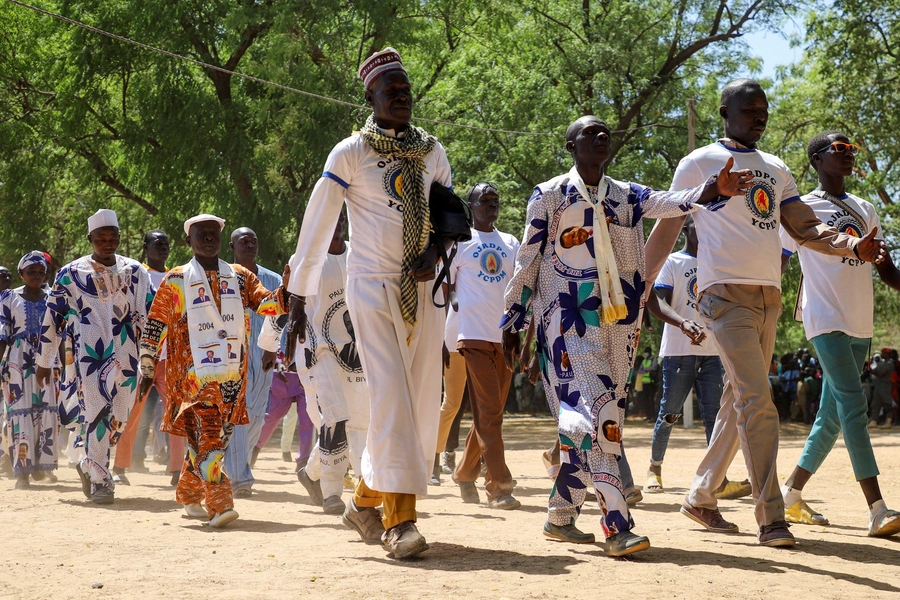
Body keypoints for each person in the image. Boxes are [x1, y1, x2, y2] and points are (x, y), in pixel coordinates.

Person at [500, 114, 754, 557]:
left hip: (620, 327)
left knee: (597, 419)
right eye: (589, 133)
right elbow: (528, 260)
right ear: (570, 146)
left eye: (605, 133)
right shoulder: (548, 196)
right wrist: (513, 319)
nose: (600, 137)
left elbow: (673, 201)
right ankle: (617, 525)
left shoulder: (627, 196)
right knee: (599, 418)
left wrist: (713, 191)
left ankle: (561, 516)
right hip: (566, 322)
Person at [658, 79, 885, 547]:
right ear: (725, 112)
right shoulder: (698, 161)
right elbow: (668, 224)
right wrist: (636, 284)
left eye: (764, 109)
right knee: (759, 403)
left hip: (768, 300)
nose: (759, 116)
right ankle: (772, 517)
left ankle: (700, 495)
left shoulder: (777, 168)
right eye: (749, 109)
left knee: (737, 398)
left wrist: (852, 246)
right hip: (723, 295)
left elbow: (804, 227)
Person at [284, 47, 451, 559]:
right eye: (391, 91)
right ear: (370, 97)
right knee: (393, 399)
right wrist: (296, 302)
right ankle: (400, 523)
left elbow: (448, 217)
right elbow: (315, 231)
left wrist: (433, 251)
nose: (401, 98)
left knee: (423, 401)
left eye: (406, 91)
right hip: (371, 286)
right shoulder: (350, 153)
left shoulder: (431, 151)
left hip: (424, 288)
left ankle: (363, 501)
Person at [778, 130, 900, 537]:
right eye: (839, 149)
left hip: (859, 320)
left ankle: (791, 493)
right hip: (824, 316)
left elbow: (884, 267)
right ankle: (878, 508)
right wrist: (764, 306)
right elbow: (779, 258)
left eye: (852, 150)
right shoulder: (801, 209)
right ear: (816, 159)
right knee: (853, 406)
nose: (848, 155)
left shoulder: (865, 208)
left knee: (831, 418)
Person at [139, 214, 288, 528]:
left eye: (213, 234)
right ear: (188, 240)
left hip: (232, 379)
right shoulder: (176, 280)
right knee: (209, 438)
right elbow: (155, 325)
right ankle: (220, 505)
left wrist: (288, 290)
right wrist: (148, 365)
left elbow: (268, 306)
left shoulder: (240, 277)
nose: (208, 238)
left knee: (213, 441)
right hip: (191, 380)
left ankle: (189, 493)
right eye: (201, 234)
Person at [36, 209, 153, 505]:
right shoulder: (72, 274)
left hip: (128, 356)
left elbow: (152, 314)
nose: (107, 243)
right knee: (97, 412)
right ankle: (102, 480)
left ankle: (83, 457)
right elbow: (52, 319)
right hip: (89, 358)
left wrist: (151, 356)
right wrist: (44, 360)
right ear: (90, 239)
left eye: (113, 237)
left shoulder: (136, 272)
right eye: (101, 238)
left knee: (120, 415)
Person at [264, 212, 369, 515]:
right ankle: (332, 492)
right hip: (317, 354)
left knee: (360, 420)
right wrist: (270, 345)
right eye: (330, 220)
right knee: (333, 418)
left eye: (341, 221)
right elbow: (285, 302)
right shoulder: (305, 259)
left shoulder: (360, 256)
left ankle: (311, 474)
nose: (336, 226)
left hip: (356, 356)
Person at [644, 217, 751, 499]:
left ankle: (718, 479)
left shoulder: (715, 264)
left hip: (713, 352)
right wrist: (683, 323)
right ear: (687, 228)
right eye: (700, 227)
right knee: (670, 412)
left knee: (714, 417)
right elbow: (659, 300)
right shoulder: (673, 262)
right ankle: (654, 468)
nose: (706, 233)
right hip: (680, 350)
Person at [445, 182, 521, 510]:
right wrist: (442, 337)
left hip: (504, 337)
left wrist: (519, 328)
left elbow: (517, 289)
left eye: (495, 201)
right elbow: (446, 291)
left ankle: (464, 472)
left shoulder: (510, 242)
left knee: (491, 413)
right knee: (490, 411)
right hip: (470, 335)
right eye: (485, 201)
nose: (492, 205)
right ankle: (499, 486)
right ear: (471, 206)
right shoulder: (459, 243)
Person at [112, 230, 184, 486]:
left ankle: (177, 470)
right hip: (140, 356)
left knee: (177, 412)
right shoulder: (133, 275)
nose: (163, 248)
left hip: (171, 357)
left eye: (166, 244)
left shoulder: (176, 276)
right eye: (158, 244)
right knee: (131, 411)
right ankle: (120, 467)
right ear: (146, 247)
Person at [222, 227, 282, 498]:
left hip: (264, 356)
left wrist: (274, 348)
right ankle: (240, 478)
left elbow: (281, 315)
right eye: (243, 241)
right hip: (232, 358)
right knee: (239, 414)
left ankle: (234, 467)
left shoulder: (272, 279)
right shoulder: (223, 278)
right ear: (232, 247)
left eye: (253, 240)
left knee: (256, 415)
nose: (250, 244)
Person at [0, 252, 58, 489]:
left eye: (40, 272)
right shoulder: (7, 298)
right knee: (19, 412)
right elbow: (2, 333)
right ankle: (22, 471)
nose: (36, 276)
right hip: (17, 362)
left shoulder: (53, 298)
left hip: (48, 360)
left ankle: (39, 468)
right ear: (21, 274)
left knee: (45, 411)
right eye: (31, 272)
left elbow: (62, 332)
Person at [0, 264, 13, 479]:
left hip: (12, 364)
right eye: (2, 276)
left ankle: (7, 458)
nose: (7, 278)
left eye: (9, 275)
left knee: (8, 412)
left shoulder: (13, 301)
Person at [869, 349, 894, 428]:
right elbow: (874, 371)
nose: (882, 354)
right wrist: (869, 366)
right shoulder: (881, 363)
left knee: (887, 404)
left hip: (885, 386)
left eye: (884, 353)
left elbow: (881, 373)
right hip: (878, 386)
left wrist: (873, 371)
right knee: (876, 403)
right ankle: (874, 420)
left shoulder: (890, 363)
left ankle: (888, 421)